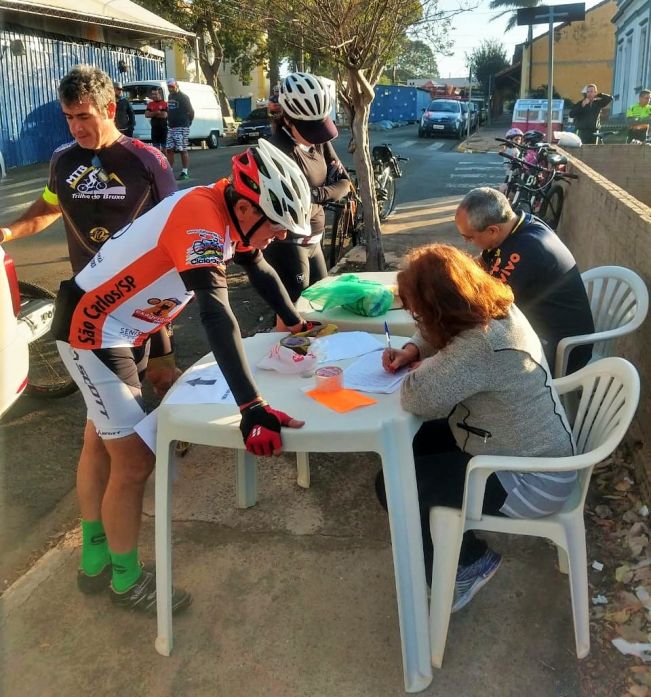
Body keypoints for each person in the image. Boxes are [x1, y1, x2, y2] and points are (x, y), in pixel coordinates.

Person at [52, 138, 317, 614]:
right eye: (276, 226)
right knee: (134, 462)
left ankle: (95, 558)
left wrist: (296, 321)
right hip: (93, 329)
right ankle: (124, 580)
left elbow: (258, 269)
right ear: (246, 206)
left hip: (125, 326)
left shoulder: (230, 206)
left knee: (100, 442)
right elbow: (216, 315)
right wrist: (252, 407)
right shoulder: (201, 220)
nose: (278, 237)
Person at [376, 244, 576, 610]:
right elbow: (438, 335)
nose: (417, 319)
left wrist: (425, 368)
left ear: (439, 308)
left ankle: (468, 562)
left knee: (393, 482)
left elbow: (417, 398)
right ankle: (444, 543)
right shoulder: (491, 307)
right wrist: (413, 351)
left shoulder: (480, 345)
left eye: (418, 312)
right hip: (519, 446)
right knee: (404, 449)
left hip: (531, 480)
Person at [0, 65, 178, 392]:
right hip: (92, 299)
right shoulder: (63, 160)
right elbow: (49, 207)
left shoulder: (148, 159)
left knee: (162, 376)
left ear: (109, 109)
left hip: (143, 294)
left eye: (84, 116)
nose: (75, 128)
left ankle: (165, 422)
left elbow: (176, 222)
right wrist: (6, 233)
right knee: (118, 397)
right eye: (69, 117)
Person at [455, 187, 595, 376]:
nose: (467, 242)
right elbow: (479, 265)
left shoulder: (528, 249)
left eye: (469, 237)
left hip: (561, 351)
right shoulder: (514, 226)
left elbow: (488, 308)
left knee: (471, 365)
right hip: (537, 330)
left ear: (492, 230)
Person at [264, 72, 351, 326]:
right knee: (294, 319)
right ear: (288, 119)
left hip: (315, 240)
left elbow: (345, 183)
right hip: (289, 244)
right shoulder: (278, 148)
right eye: (309, 129)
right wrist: (325, 192)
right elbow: (290, 206)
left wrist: (316, 195)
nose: (316, 136)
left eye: (319, 126)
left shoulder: (318, 141)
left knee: (322, 312)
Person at [165, 78, 194, 180]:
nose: (170, 89)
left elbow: (191, 111)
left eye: (172, 86)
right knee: (169, 149)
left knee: (182, 149)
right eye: (169, 87)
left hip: (182, 126)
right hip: (171, 127)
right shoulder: (170, 96)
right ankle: (169, 171)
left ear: (176, 85)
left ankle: (184, 172)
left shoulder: (183, 97)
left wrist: (188, 122)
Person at [145, 86, 169, 152]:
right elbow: (146, 115)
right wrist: (157, 112)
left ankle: (165, 159)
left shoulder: (165, 103)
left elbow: (164, 115)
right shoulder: (150, 104)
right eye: (152, 94)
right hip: (154, 130)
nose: (153, 96)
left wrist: (152, 113)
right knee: (156, 150)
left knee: (165, 149)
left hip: (163, 129)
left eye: (155, 94)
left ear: (160, 94)